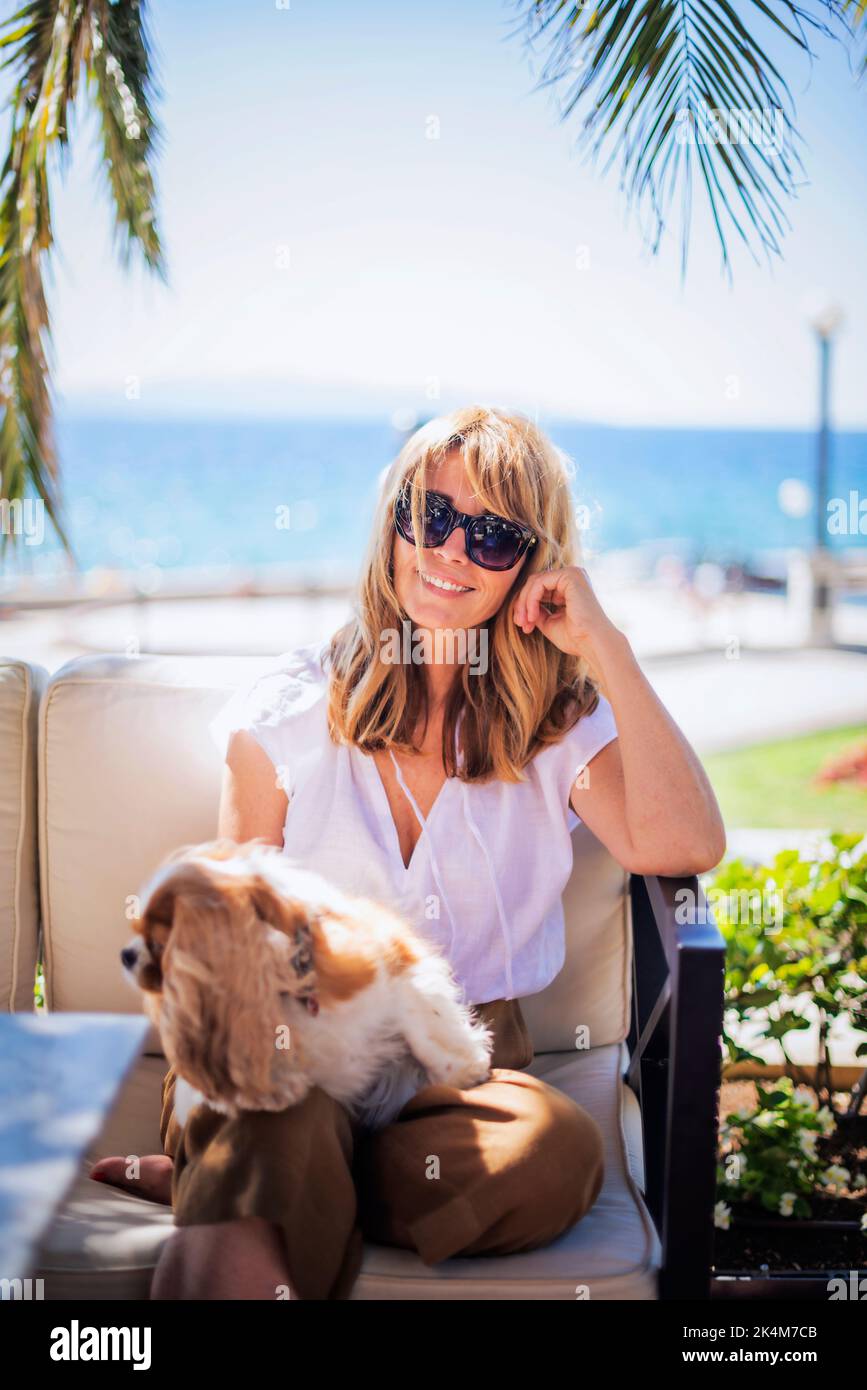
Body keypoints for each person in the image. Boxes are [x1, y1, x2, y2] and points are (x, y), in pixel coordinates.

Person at [91, 404, 726, 1299]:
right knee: (277, 1118)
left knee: (554, 1152)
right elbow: (225, 936)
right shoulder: (289, 708)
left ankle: (254, 1184)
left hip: (459, 1067)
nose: (450, 551)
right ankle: (259, 1173)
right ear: (393, 525)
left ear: (533, 564)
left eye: (494, 535)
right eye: (430, 516)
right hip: (286, 1037)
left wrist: (606, 646)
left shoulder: (555, 724)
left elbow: (686, 840)